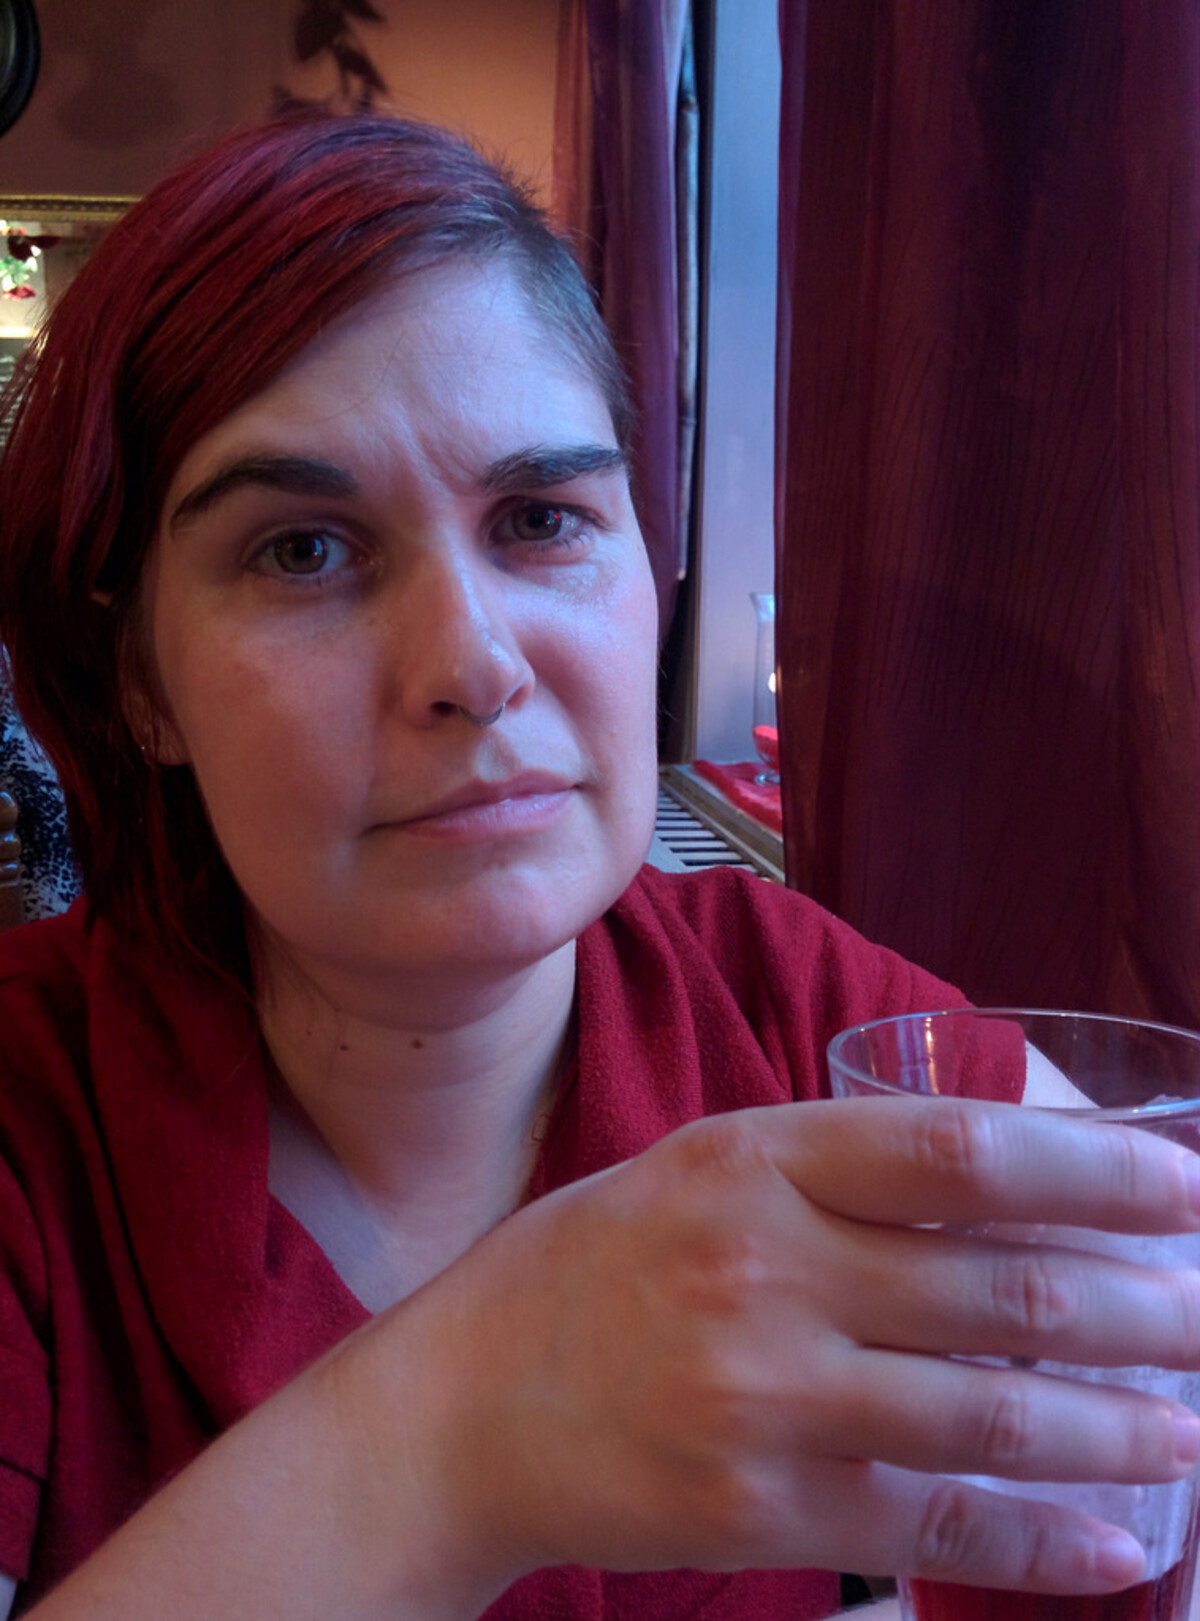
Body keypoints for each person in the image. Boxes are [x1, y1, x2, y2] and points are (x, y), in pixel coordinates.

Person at [0, 110, 1196, 1621]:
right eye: (303, 549)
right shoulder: (30, 1114)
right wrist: (466, 1430)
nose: (472, 665)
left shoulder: (796, 1010)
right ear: (140, 686)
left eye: (541, 519)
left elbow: (1161, 1359)